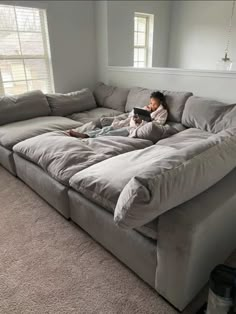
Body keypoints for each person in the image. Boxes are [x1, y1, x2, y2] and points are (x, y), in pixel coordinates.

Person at [68, 91, 168, 139]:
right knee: (110, 128)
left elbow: (156, 125)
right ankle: (87, 134)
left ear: (161, 102)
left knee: (113, 132)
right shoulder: (148, 107)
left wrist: (141, 121)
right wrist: (136, 116)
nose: (152, 105)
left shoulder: (163, 112)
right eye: (151, 103)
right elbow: (134, 113)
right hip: (131, 123)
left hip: (134, 129)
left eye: (155, 104)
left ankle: (90, 137)